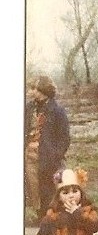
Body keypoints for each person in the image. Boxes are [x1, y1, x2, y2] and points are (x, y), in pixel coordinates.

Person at [24, 76, 70, 219]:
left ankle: (50, 219)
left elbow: (64, 137)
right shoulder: (29, 108)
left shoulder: (57, 110)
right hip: (29, 155)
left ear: (42, 90)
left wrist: (56, 155)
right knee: (33, 188)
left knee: (48, 189)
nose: (31, 91)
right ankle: (40, 217)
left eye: (34, 88)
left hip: (47, 157)